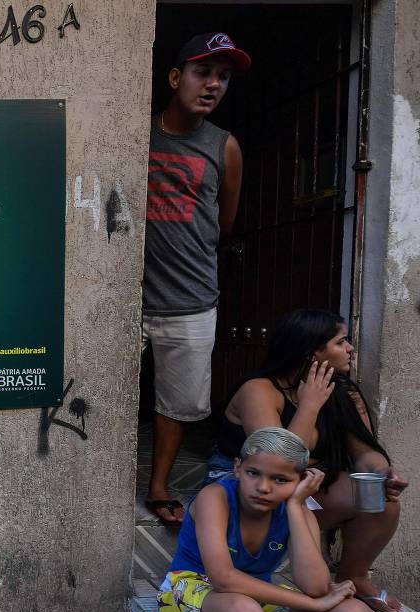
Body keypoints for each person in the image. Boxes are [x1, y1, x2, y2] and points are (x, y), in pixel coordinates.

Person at [205, 309, 409, 612]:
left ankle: (355, 577)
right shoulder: (259, 390)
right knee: (284, 483)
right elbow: (278, 460)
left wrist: (383, 473)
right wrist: (310, 405)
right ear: (314, 351)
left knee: (381, 499)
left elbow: (363, 449)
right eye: (341, 342)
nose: (350, 349)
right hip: (247, 487)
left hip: (302, 485)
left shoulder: (342, 391)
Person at [158, 427, 381, 612]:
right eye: (254, 473)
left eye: (281, 480)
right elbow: (223, 579)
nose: (263, 487)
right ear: (238, 467)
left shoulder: (297, 509)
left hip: (253, 603)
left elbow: (316, 586)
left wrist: (296, 507)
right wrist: (311, 604)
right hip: (190, 596)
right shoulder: (215, 497)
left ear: (301, 481)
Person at [143, 32, 250, 525]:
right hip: (128, 296)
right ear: (174, 77)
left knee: (178, 403)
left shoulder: (224, 147)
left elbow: (224, 223)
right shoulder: (137, 133)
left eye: (223, 77)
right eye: (202, 72)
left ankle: (159, 484)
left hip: (190, 299)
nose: (213, 85)